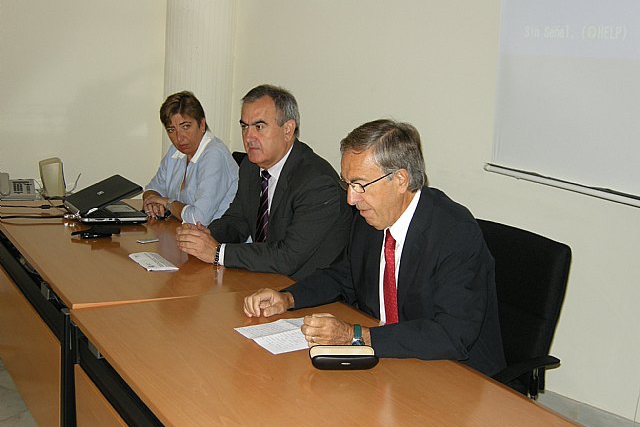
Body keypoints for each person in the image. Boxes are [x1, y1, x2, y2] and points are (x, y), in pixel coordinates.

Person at [244, 119, 506, 376]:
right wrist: (288, 298)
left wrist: (355, 335)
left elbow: (452, 334)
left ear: (401, 180)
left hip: (456, 374)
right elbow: (343, 275)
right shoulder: (370, 217)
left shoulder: (454, 232)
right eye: (347, 184)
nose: (351, 199)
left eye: (360, 185)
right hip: (391, 361)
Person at [175, 84, 352, 281]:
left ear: (287, 130)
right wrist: (205, 235)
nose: (248, 137)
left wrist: (217, 252)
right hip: (265, 280)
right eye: (244, 126)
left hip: (308, 291)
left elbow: (287, 257)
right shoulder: (251, 167)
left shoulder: (317, 183)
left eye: (259, 127)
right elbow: (238, 220)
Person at [143, 91, 238, 225]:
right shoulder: (175, 152)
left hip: (219, 240)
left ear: (202, 124)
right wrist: (152, 201)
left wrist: (167, 203)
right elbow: (153, 188)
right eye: (171, 130)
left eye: (186, 127)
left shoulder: (214, 155)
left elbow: (198, 219)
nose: (179, 137)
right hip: (183, 233)